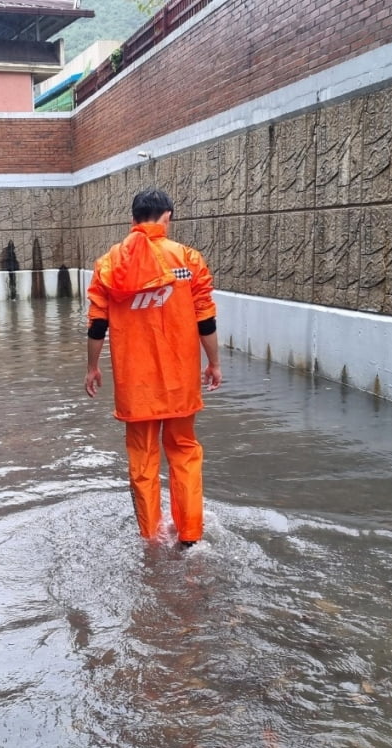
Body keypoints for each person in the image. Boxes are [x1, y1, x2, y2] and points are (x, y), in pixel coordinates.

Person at [84, 188, 222, 548]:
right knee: (184, 453)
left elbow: (97, 324)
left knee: (143, 462)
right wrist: (214, 363)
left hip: (135, 384)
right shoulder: (188, 260)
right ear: (167, 217)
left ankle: (151, 538)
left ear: (133, 219)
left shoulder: (109, 264)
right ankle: (190, 534)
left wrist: (92, 367)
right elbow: (204, 318)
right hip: (180, 381)